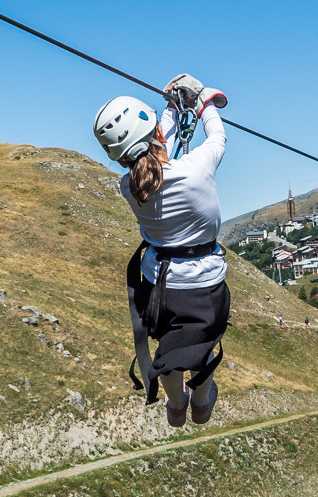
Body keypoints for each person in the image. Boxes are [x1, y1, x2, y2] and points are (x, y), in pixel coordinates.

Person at [95, 74, 229, 428]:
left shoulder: (130, 186)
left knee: (168, 352)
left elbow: (153, 148)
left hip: (160, 287)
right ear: (155, 134)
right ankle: (201, 404)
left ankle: (176, 405)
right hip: (204, 285)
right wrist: (203, 102)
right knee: (201, 349)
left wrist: (171, 111)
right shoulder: (195, 169)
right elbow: (218, 137)